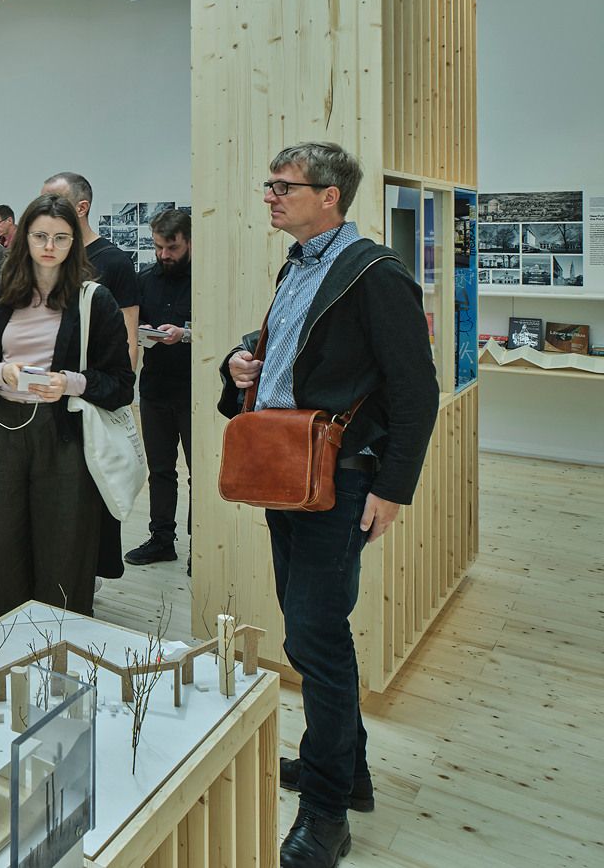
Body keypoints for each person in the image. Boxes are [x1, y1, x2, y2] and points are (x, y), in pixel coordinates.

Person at [220, 142, 438, 868]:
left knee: (314, 636)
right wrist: (241, 357)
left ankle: (325, 813)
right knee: (312, 630)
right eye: (270, 183)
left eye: (285, 187)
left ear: (330, 197)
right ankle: (349, 772)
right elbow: (295, 348)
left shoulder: (375, 273)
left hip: (340, 478)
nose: (271, 196)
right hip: (287, 468)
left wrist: (392, 487)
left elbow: (415, 390)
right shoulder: (299, 265)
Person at [0, 194, 133, 617]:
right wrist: (3, 373)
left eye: (60, 237)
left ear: (74, 242)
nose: (49, 246)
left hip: (66, 432)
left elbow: (121, 384)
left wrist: (68, 383)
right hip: (6, 430)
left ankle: (61, 652)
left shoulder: (95, 300)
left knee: (65, 550)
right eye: (40, 236)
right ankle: (14, 644)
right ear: (24, 239)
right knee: (2, 540)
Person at [42, 171, 139, 585]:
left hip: (93, 397)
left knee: (94, 487)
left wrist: (110, 392)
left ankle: (89, 575)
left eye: (54, 200)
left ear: (80, 207)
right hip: (46, 400)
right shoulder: (43, 261)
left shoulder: (113, 262)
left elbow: (129, 342)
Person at [126, 208, 194, 568]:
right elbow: (130, 326)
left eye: (172, 247)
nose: (164, 255)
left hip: (194, 393)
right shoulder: (144, 279)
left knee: (198, 473)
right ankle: (161, 540)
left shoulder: (205, 280)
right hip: (154, 389)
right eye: (158, 247)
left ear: (189, 241)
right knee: (161, 470)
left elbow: (220, 334)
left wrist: (185, 335)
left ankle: (199, 549)